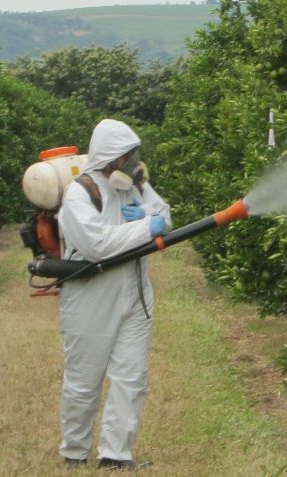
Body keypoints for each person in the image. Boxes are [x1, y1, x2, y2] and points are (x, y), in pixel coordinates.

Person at [56, 119, 172, 469]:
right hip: (91, 296)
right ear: (108, 157)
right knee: (83, 379)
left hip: (136, 294)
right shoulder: (79, 193)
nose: (133, 163)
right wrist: (144, 226)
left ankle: (116, 454)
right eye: (126, 156)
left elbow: (164, 216)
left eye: (134, 155)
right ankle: (74, 452)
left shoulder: (133, 187)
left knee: (132, 377)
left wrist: (151, 216)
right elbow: (97, 245)